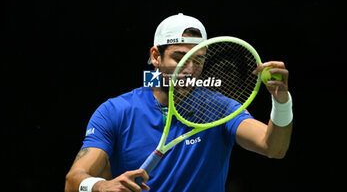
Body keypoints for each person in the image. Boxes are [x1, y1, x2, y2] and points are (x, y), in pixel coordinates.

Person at [65, 13, 293, 192]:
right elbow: (74, 180)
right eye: (179, 57)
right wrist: (100, 186)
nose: (190, 69)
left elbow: (273, 148)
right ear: (156, 56)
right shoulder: (115, 111)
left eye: (199, 60)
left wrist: (282, 102)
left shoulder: (219, 109)